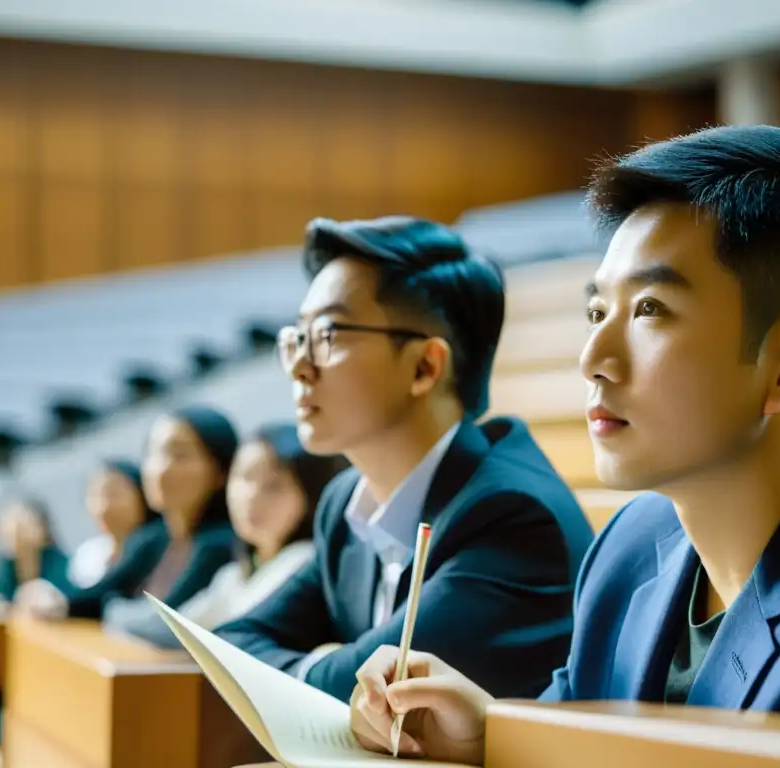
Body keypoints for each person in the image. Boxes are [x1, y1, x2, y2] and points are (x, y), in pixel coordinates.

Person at [348, 125, 780, 763]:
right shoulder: (631, 546)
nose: (594, 358)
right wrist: (492, 735)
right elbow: (586, 749)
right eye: (597, 313)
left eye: (649, 310)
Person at [215, 215, 594, 704]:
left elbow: (374, 692)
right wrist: (327, 665)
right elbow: (232, 645)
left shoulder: (513, 516)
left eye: (327, 335)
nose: (299, 366)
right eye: (298, 338)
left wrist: (314, 666)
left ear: (425, 367)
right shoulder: (344, 504)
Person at [117, 423, 347, 648]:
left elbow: (228, 639)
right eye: (244, 477)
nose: (251, 496)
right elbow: (175, 629)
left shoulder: (304, 563)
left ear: (309, 496)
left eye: (274, 485)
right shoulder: (235, 573)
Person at [14, 405, 238, 624]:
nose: (160, 469)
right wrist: (51, 599)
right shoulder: (153, 538)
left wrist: (110, 610)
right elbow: (93, 597)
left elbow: (163, 624)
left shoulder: (220, 545)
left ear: (220, 470)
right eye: (153, 452)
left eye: (179, 455)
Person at [68, 460, 159, 589]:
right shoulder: (87, 557)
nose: (104, 506)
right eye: (96, 495)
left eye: (114, 494)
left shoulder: (158, 542)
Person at [0, 497, 72, 601]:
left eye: (20, 528)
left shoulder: (57, 562)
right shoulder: (8, 565)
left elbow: (66, 597)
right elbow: (0, 599)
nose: (14, 535)